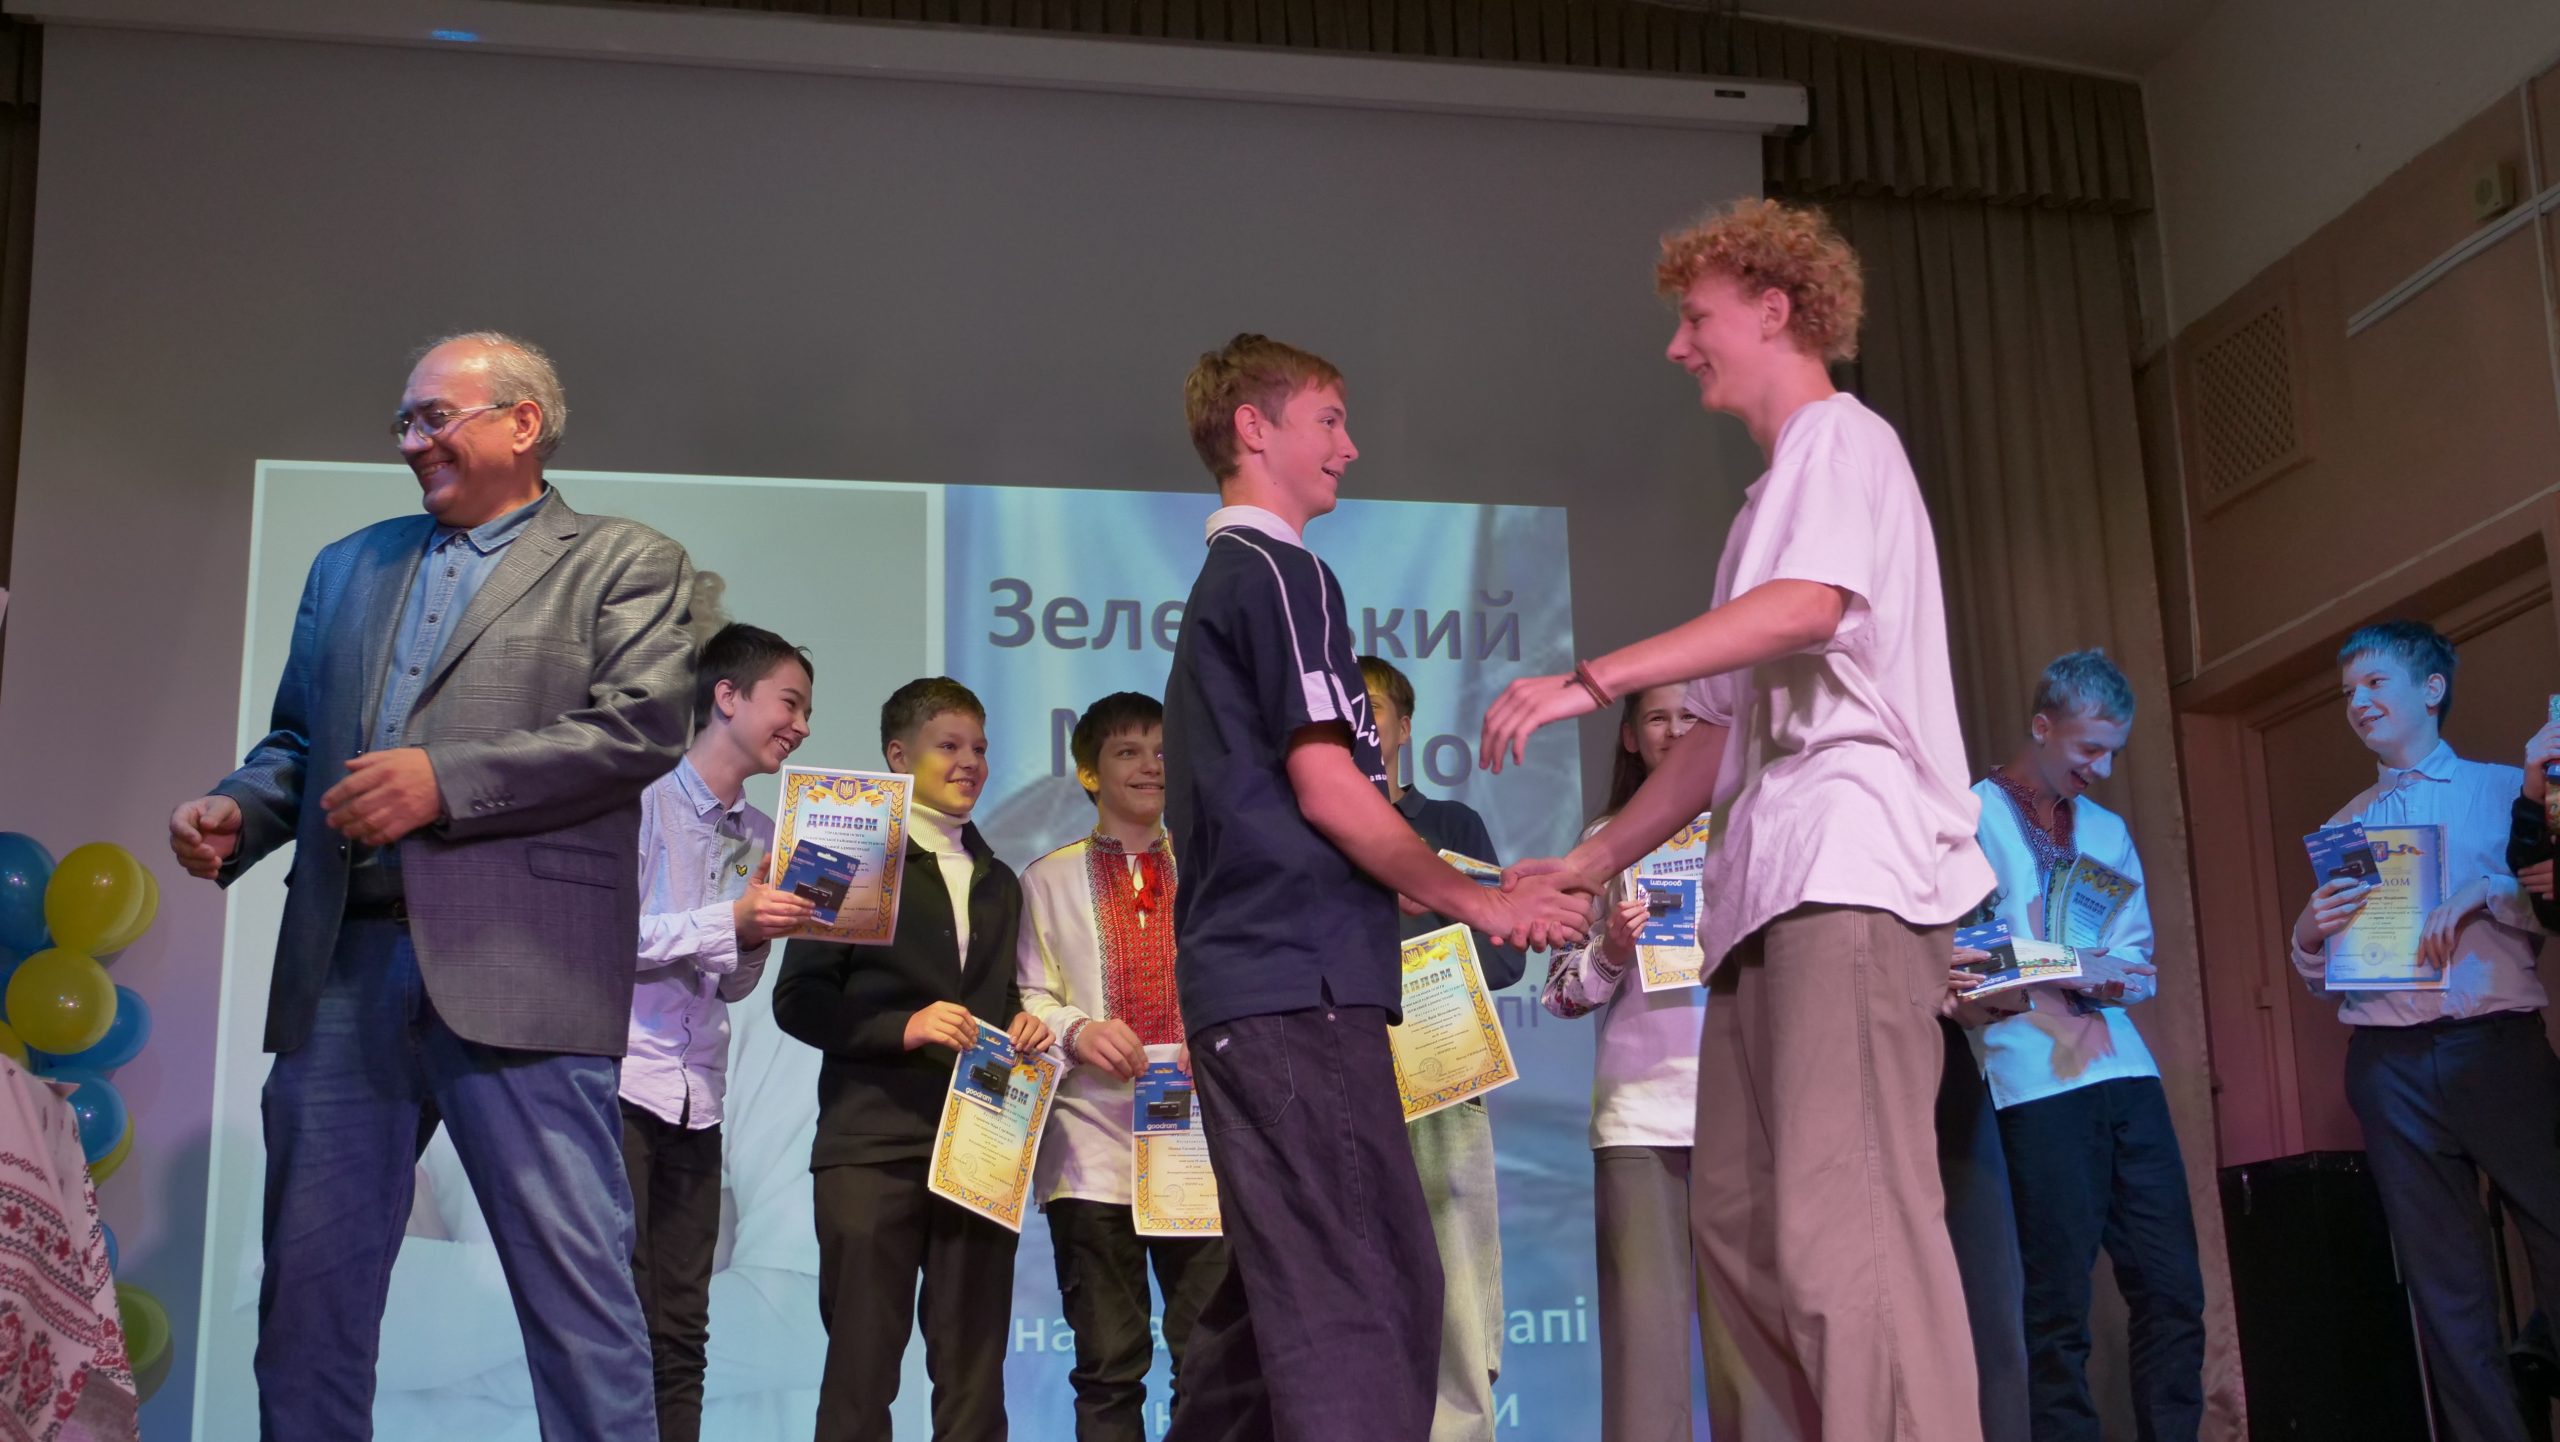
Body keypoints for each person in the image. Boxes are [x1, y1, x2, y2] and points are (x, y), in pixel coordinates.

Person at [1481, 199, 1995, 1441]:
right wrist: (1591, 860)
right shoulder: (1766, 502)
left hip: (1849, 876)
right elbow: (1712, 733)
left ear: (1774, 309)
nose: (1678, 346)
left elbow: (1810, 606)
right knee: (1743, 1226)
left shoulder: (1840, 439)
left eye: (1694, 318)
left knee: (1845, 1225)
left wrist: (1590, 678)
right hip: (1763, 897)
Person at [167, 330, 694, 1439]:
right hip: (343, 969)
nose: (413, 441)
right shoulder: (347, 566)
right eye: (405, 421)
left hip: (526, 972)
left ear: (523, 422)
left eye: (435, 417)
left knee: (580, 1307)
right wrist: (240, 810)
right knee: (307, 1307)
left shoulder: (625, 560)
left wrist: (442, 782)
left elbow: (641, 728)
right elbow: (299, 745)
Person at [1160, 334, 1587, 1442]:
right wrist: (1478, 902)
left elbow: (1274, 820)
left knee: (1269, 1308)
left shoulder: (1231, 585)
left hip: (1260, 988)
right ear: (1254, 428)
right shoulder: (1281, 572)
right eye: (1329, 420)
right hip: (1297, 995)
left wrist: (1448, 883)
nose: (1350, 446)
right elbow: (1326, 785)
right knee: (1367, 1291)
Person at [2290, 621, 2560, 1442]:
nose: (2359, 703)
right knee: (2446, 1289)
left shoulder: (2502, 790)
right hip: (2388, 1063)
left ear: (2431, 689)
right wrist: (2309, 934)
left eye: (2376, 684)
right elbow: (2338, 972)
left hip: (2496, 1046)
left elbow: (2546, 910)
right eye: (2349, 693)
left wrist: (2486, 890)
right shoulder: (2346, 824)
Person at [771, 676, 1053, 1442]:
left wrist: (1023, 1025)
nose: (971, 763)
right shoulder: (845, 850)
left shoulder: (999, 879)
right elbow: (798, 1000)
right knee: (861, 1373)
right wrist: (907, 1027)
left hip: (979, 1150)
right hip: (872, 1145)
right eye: (948, 746)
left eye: (980, 748)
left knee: (974, 1375)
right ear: (898, 756)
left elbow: (999, 998)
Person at [1959, 650, 2202, 1442]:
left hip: (2124, 1071)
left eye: (2113, 752)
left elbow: (2136, 961)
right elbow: (1969, 958)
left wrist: (2094, 971)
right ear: (2042, 726)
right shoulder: (1971, 817)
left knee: (2172, 1289)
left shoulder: (2107, 830)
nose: (2101, 768)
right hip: (2031, 1080)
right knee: (2056, 1305)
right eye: (2089, 748)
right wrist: (2070, 964)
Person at [1540, 683, 1761, 1442]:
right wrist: (1609, 952)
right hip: (1640, 1118)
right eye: (1657, 718)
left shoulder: (1748, 829)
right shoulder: (1606, 842)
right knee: (1647, 1350)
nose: (1674, 731)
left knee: (1751, 1351)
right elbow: (1559, 995)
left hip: (1743, 1112)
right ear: (1631, 736)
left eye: (1690, 718)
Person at [623, 622, 818, 1442]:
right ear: (727, 697)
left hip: (700, 1100)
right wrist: (727, 921)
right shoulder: (639, 800)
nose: (800, 726)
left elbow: (731, 985)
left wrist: (758, 935)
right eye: (790, 704)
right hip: (621, 1085)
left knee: (683, 1324)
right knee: (612, 1318)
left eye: (807, 712)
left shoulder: (763, 834)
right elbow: (605, 942)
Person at [1017, 691, 1228, 1442]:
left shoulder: (1212, 868)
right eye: (1128, 752)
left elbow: (1242, 973)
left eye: (1164, 752)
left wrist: (1220, 1032)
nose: (1151, 766)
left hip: (1200, 1144)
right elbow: (1028, 995)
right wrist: (1077, 1031)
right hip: (1089, 1147)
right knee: (1108, 1366)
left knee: (1211, 1362)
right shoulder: (1047, 878)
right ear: (1089, 774)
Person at [1359, 654, 1526, 1442]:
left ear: (1404, 727)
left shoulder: (1451, 826)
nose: (1361, 724)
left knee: (1455, 1273)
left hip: (1444, 1069)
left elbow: (1506, 956)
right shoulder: (1309, 829)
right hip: (1344, 1074)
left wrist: (1425, 917)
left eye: (1374, 708)